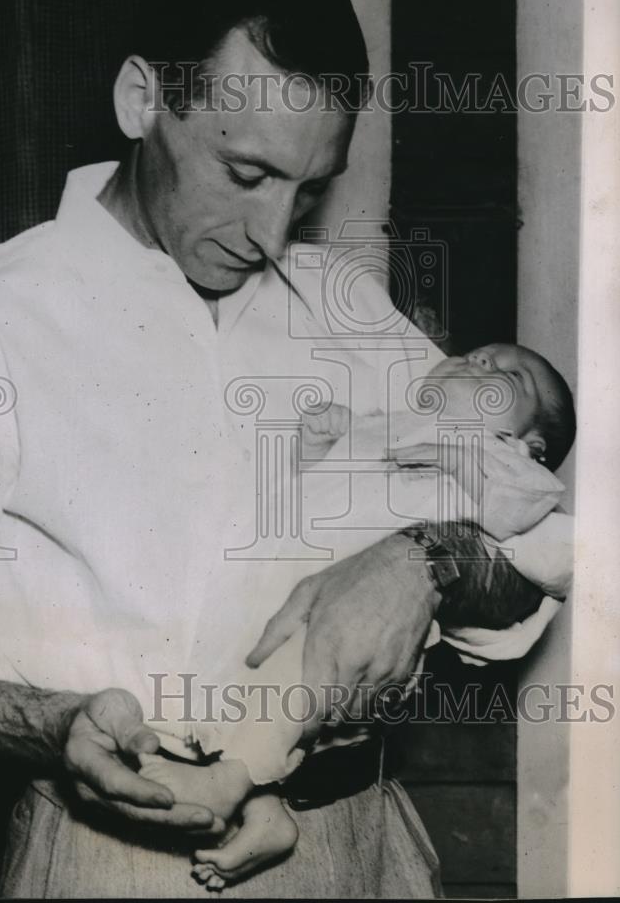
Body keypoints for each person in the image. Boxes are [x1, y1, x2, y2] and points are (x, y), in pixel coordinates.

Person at [0, 0, 574, 897]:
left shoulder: (342, 302)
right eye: (244, 173)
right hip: (116, 861)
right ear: (142, 99)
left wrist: (422, 561)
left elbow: (542, 549)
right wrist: (52, 725)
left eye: (307, 189)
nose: (274, 237)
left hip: (358, 840)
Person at [131, 339, 575, 889]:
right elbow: (299, 488)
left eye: (512, 376)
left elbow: (533, 522)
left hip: (346, 616)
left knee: (298, 674)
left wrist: (460, 453)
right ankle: (262, 806)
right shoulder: (386, 426)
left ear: (527, 441)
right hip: (276, 580)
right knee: (232, 667)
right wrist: (318, 445)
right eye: (477, 355)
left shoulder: (499, 458)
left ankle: (230, 779)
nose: (481, 362)